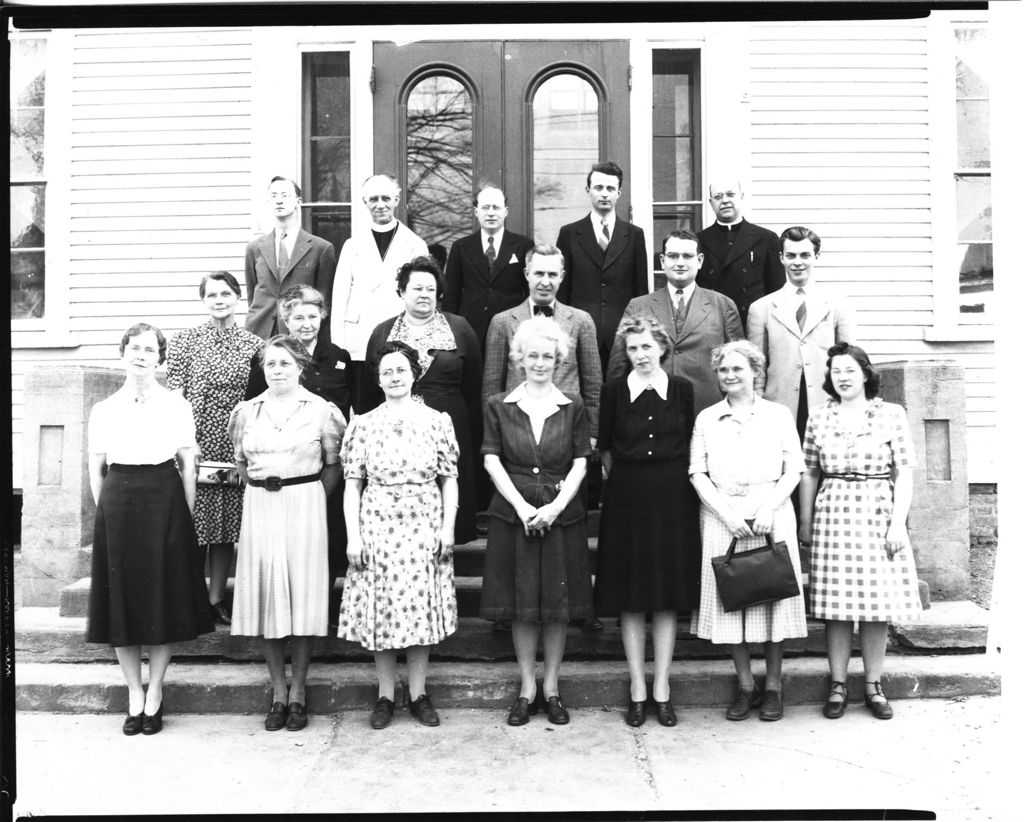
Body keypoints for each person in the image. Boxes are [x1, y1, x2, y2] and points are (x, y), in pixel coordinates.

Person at [86, 323, 214, 735]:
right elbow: (96, 470)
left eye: (150, 349)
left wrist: (185, 514)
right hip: (119, 500)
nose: (141, 355)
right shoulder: (104, 409)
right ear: (122, 353)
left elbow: (188, 464)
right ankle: (133, 694)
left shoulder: (176, 404)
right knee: (122, 599)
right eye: (134, 348)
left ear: (160, 358)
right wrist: (106, 513)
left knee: (161, 597)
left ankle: (155, 692)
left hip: (165, 496)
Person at [338, 341, 460, 729]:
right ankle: (386, 695)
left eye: (401, 370)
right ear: (378, 378)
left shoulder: (436, 420)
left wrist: (448, 529)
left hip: (424, 522)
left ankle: (420, 693)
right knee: (384, 607)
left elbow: (449, 480)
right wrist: (353, 536)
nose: (394, 377)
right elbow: (352, 485)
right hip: (378, 524)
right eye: (387, 371)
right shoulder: (363, 424)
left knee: (420, 606)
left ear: (414, 374)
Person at [478, 318, 593, 726]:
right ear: (520, 359)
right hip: (514, 514)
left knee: (557, 608)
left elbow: (581, 461)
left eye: (548, 355)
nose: (540, 362)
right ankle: (527, 687)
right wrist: (524, 509)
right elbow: (492, 459)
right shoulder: (500, 405)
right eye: (533, 356)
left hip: (561, 514)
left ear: (559, 359)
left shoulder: (572, 405)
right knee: (522, 605)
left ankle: (553, 688)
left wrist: (557, 506)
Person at [483, 244, 604, 631]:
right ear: (527, 274)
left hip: (567, 439)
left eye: (553, 274)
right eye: (539, 273)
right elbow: (491, 383)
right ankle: (511, 611)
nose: (545, 281)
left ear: (563, 277)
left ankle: (573, 609)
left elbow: (594, 383)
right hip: (517, 436)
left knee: (565, 527)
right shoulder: (504, 321)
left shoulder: (580, 320)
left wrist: (593, 439)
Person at [228, 335, 346, 732]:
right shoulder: (246, 412)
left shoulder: (322, 412)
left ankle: (299, 691)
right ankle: (278, 691)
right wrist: (266, 488)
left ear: (300, 367)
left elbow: (334, 464)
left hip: (305, 506)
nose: (277, 370)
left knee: (302, 596)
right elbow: (241, 463)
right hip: (261, 505)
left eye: (285, 363)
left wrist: (309, 496)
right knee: (267, 597)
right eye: (270, 364)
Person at [799, 342, 920, 720]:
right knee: (835, 608)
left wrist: (898, 522)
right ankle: (837, 685)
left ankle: (873, 685)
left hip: (878, 511)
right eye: (836, 371)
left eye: (850, 370)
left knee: (874, 607)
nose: (843, 377)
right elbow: (809, 471)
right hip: (833, 512)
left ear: (865, 373)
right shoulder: (819, 417)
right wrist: (805, 521)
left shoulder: (891, 414)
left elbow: (905, 471)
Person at [689, 340, 807, 722]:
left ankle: (773, 686)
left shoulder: (777, 414)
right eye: (723, 370)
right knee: (732, 601)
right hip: (723, 514)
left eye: (738, 368)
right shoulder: (707, 418)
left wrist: (769, 507)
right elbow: (697, 472)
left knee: (773, 599)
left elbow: (794, 468)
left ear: (755, 371)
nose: (730, 375)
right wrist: (725, 514)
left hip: (771, 511)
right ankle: (745, 685)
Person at [593, 316, 700, 727]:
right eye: (633, 348)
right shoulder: (614, 391)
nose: (640, 355)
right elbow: (605, 451)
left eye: (647, 347)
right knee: (631, 594)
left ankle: (662, 686)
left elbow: (691, 441)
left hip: (673, 496)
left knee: (666, 594)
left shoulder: (683, 390)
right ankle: (638, 687)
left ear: (662, 349)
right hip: (627, 496)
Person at [244, 285, 353, 617]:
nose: (306, 324)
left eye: (312, 315)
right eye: (297, 317)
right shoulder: (269, 357)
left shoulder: (339, 358)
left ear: (323, 315)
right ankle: (284, 609)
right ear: (284, 319)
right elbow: (252, 407)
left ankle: (321, 607)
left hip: (328, 465)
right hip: (285, 464)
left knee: (329, 539)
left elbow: (350, 410)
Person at [166, 271, 264, 627]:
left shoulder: (255, 345)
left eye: (226, 293)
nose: (219, 300)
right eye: (212, 295)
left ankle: (216, 599)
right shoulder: (184, 342)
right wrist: (183, 444)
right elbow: (175, 398)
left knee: (225, 526)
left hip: (236, 442)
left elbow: (257, 399)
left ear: (237, 298)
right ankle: (188, 597)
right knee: (193, 525)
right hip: (195, 442)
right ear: (203, 301)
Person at [362, 256, 482, 545]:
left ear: (439, 293)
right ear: (402, 292)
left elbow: (473, 384)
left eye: (430, 289)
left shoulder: (460, 328)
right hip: (395, 426)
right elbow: (369, 387)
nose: (424, 294)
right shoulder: (382, 332)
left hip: (450, 421)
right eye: (416, 288)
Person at [607, 230, 743, 414]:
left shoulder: (723, 305)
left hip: (707, 410)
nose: (680, 263)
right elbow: (618, 367)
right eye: (673, 256)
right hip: (651, 413)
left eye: (687, 256)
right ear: (663, 261)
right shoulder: (638, 306)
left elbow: (739, 364)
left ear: (700, 260)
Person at [746, 226, 857, 439]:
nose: (798, 262)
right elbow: (757, 367)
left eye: (805, 255)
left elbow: (849, 361)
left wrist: (848, 402)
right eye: (791, 256)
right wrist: (757, 406)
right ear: (781, 258)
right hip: (779, 404)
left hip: (827, 402)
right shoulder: (762, 308)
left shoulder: (838, 304)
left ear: (816, 256)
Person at [330, 173, 429, 409]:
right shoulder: (352, 245)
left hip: (399, 339)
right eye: (373, 199)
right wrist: (339, 345)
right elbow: (340, 295)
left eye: (386, 198)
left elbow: (422, 297)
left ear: (396, 199)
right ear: (365, 202)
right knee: (363, 408)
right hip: (359, 341)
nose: (380, 204)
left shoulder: (415, 245)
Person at [556, 160, 649, 367]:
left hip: (623, 335)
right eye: (598, 188)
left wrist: (638, 334)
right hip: (580, 334)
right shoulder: (569, 234)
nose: (604, 193)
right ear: (588, 190)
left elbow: (640, 291)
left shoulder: (634, 236)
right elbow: (562, 292)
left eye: (610, 188)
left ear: (619, 192)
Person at [442, 185, 534, 354]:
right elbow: (451, 294)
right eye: (485, 207)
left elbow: (529, 291)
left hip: (512, 328)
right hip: (470, 329)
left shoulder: (523, 245)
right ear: (476, 212)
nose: (491, 213)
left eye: (496, 207)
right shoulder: (461, 247)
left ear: (505, 212)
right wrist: (452, 330)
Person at [244, 176, 337, 339]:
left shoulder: (321, 248)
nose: (279, 201)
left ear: (298, 201)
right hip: (260, 332)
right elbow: (252, 296)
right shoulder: (254, 248)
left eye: (285, 195)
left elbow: (324, 303)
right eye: (274, 196)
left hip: (301, 334)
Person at [695, 179, 785, 330]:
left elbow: (776, 291)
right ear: (711, 203)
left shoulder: (766, 238)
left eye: (730, 195)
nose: (725, 201)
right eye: (718, 197)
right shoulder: (699, 240)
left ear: (741, 197)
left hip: (753, 324)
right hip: (713, 324)